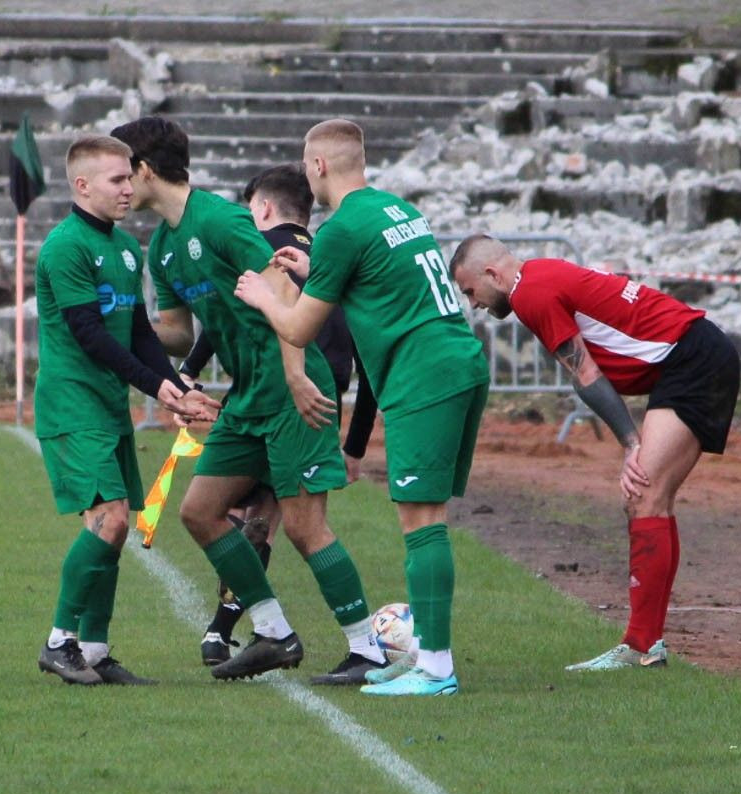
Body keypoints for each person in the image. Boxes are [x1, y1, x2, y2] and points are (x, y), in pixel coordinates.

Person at [111, 116, 386, 685]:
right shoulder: (162, 246)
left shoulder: (220, 219)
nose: (118, 185)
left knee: (305, 527)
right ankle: (274, 633)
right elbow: (178, 332)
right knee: (200, 512)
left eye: (121, 173)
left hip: (291, 382)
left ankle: (369, 650)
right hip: (248, 393)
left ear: (143, 170)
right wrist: (115, 321)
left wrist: (292, 374)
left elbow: (285, 289)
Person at [234, 119, 491, 697]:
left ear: (318, 166)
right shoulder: (395, 210)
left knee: (422, 522)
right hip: (459, 359)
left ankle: (436, 669)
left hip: (423, 373)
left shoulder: (343, 226)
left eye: (305, 164)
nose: (305, 174)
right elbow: (376, 280)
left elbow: (298, 330)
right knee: (427, 518)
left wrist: (260, 296)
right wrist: (315, 271)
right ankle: (427, 656)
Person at [447, 234, 740, 671]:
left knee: (644, 492)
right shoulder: (540, 275)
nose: (474, 304)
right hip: (691, 357)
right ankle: (645, 645)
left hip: (693, 360)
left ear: (493, 274)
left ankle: (642, 646)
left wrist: (630, 443)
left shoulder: (530, 292)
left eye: (471, 291)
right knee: (648, 497)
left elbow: (584, 373)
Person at [34, 134, 221, 687]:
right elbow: (89, 334)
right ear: (82, 185)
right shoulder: (65, 247)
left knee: (115, 526)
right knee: (111, 520)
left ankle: (93, 649)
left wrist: (175, 385)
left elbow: (139, 333)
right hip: (72, 405)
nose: (128, 186)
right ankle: (59, 641)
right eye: (116, 179)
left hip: (107, 407)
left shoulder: (122, 248)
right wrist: (157, 388)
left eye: (129, 176)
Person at [177, 164, 379, 667]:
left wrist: (189, 371)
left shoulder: (265, 254)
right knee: (226, 514)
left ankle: (364, 648)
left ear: (262, 208)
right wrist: (354, 444)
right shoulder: (328, 258)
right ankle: (251, 631)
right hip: (295, 403)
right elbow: (368, 359)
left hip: (290, 401)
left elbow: (240, 318)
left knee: (293, 526)